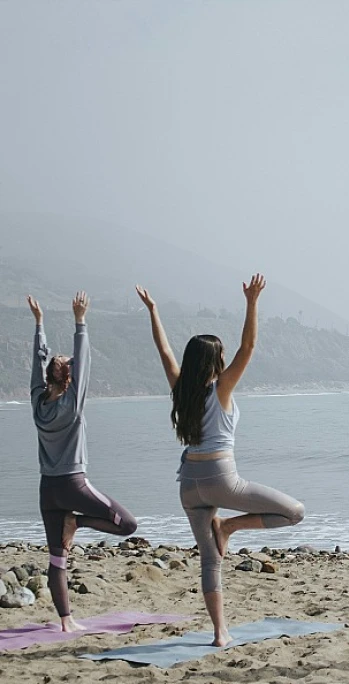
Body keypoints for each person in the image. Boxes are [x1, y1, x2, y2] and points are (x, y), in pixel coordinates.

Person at [136, 276, 304, 647]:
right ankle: (228, 526)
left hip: (188, 485)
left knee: (209, 561)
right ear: (216, 361)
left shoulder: (181, 388)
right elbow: (249, 346)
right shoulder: (221, 388)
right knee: (294, 512)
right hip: (220, 479)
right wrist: (252, 301)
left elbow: (164, 352)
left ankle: (220, 633)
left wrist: (153, 311)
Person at [28, 292, 138, 632]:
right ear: (69, 379)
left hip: (48, 490)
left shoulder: (36, 401)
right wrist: (80, 321)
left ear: (48, 378)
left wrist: (40, 325)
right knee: (127, 525)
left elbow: (37, 361)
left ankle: (66, 621)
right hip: (74, 486)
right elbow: (84, 360)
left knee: (57, 558)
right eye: (68, 365)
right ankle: (78, 523)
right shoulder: (73, 404)